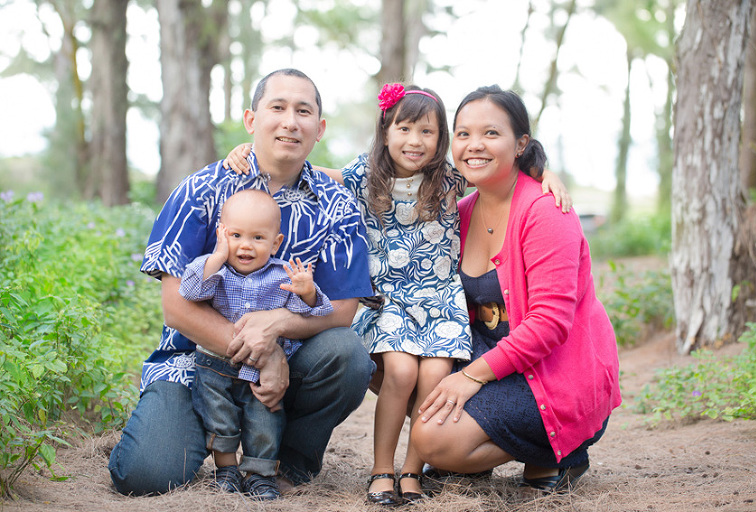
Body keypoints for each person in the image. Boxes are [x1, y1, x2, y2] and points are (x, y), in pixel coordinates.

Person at [224, 83, 573, 504]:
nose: (415, 141)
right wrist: (247, 152)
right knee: (402, 373)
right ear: (386, 132)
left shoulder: (449, 178)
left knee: (433, 374)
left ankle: (413, 469)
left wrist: (543, 172)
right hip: (389, 300)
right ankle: (381, 469)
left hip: (441, 301)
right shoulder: (364, 176)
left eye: (427, 132)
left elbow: (499, 168)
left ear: (441, 138)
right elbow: (309, 173)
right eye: (404, 129)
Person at [108, 68, 375, 496]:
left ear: (319, 128)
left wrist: (276, 327)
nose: (290, 121)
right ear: (252, 120)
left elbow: (343, 309)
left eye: (303, 111)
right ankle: (191, 432)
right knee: (143, 475)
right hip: (196, 364)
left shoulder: (337, 205)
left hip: (289, 375)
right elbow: (176, 306)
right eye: (278, 107)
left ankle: (287, 458)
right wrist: (261, 357)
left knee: (349, 357)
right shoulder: (202, 189)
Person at [410, 85, 621, 494]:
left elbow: (548, 324)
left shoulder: (545, 211)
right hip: (492, 360)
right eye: (464, 134)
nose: (474, 145)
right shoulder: (459, 212)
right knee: (393, 365)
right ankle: (475, 454)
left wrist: (469, 377)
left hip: (552, 373)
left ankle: (559, 451)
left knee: (432, 439)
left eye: (491, 133)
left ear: (521, 143)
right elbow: (375, 178)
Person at [179, 189, 334, 499]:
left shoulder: (282, 275)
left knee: (264, 418)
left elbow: (316, 311)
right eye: (236, 235)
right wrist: (218, 255)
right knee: (218, 418)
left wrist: (307, 292)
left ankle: (259, 474)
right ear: (222, 234)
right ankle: (226, 471)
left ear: (275, 242)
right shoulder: (214, 268)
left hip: (261, 370)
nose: (246, 245)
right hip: (215, 364)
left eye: (258, 238)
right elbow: (191, 291)